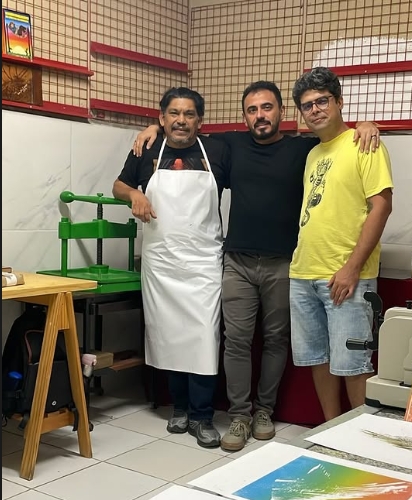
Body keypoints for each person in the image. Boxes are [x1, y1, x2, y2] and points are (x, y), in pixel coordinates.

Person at [133, 82, 380, 452]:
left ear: (282, 111)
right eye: (252, 110)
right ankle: (239, 415)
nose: (260, 115)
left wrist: (365, 124)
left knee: (276, 340)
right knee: (236, 340)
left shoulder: (303, 148)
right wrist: (154, 128)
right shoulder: (229, 145)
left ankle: (264, 412)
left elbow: (336, 135)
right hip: (237, 261)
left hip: (285, 263)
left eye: (267, 107)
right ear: (244, 116)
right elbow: (183, 130)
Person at [112, 87, 231, 449]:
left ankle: (202, 415)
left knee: (203, 338)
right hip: (162, 261)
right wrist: (135, 194)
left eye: (189, 114)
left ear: (200, 120)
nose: (182, 121)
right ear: (162, 118)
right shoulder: (147, 150)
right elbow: (118, 186)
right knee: (170, 335)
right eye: (174, 114)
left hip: (203, 261)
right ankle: (179, 408)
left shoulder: (218, 151)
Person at [289, 67, 393, 422]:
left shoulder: (365, 144)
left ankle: (359, 438)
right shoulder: (313, 154)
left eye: (322, 101)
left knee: (353, 363)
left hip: (346, 275)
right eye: (307, 105)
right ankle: (330, 430)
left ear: (339, 102)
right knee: (317, 359)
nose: (315, 110)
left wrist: (352, 268)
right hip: (304, 272)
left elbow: (382, 206)